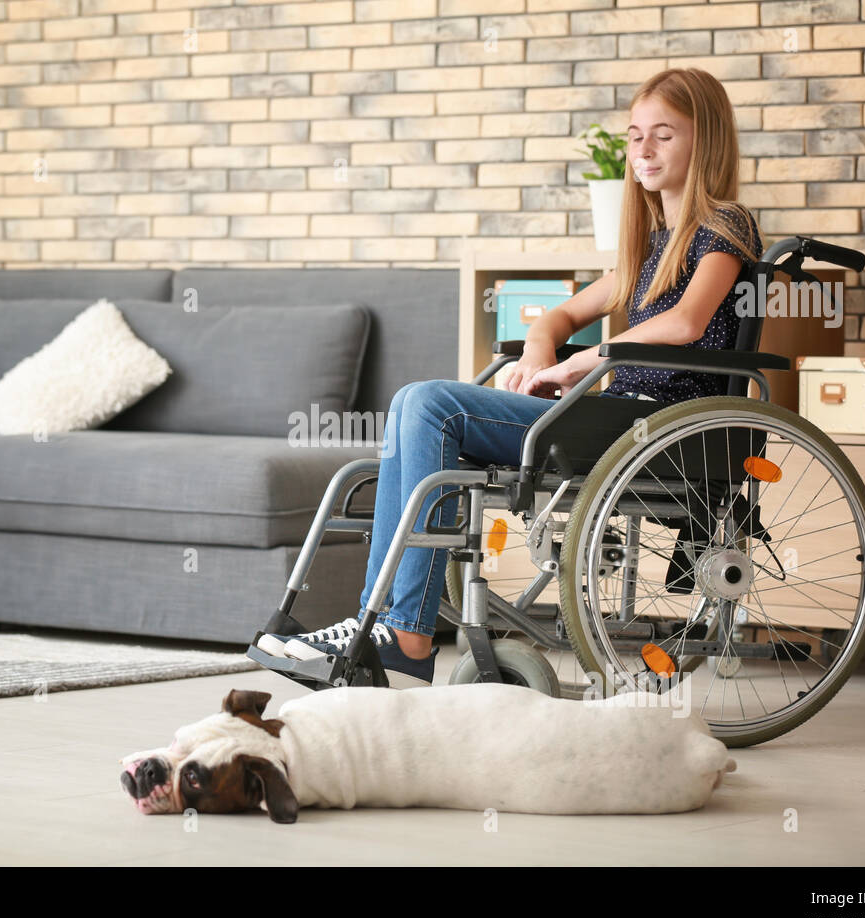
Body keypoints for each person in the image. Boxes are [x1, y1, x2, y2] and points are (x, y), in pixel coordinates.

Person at [259, 67, 765, 687]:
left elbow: (687, 322)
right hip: (613, 417)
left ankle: (404, 638)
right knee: (416, 413)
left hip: (653, 430)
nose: (644, 151)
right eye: (635, 136)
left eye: (664, 135)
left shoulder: (725, 227)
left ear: (704, 142)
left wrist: (585, 359)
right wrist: (537, 352)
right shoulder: (650, 249)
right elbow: (560, 314)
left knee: (426, 404)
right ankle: (386, 626)